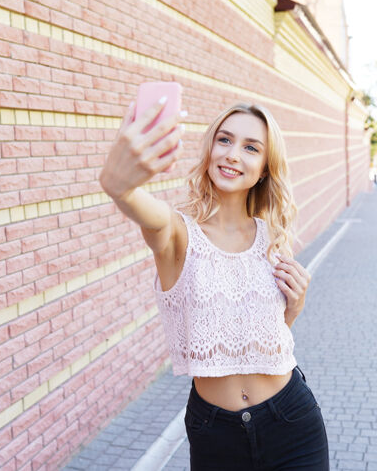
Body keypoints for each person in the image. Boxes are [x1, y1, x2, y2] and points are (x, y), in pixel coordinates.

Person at [100, 97, 329, 470]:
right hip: (215, 433)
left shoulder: (274, 238)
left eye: (251, 147)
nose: (233, 154)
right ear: (209, 150)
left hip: (292, 420)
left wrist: (294, 308)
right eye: (224, 140)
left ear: (264, 169)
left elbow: (255, 339)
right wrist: (117, 183)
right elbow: (136, 202)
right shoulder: (176, 234)